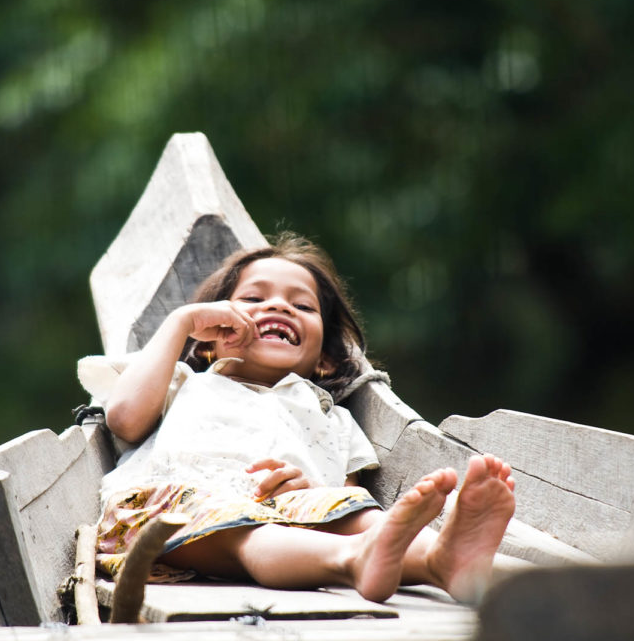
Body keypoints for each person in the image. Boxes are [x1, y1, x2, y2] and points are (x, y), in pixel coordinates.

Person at [78, 233, 515, 603]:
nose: (280, 307)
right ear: (212, 337)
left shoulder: (332, 417)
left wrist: (310, 489)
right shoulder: (183, 382)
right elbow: (124, 421)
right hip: (169, 517)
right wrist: (182, 322)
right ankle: (353, 561)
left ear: (325, 359)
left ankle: (440, 560)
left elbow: (347, 499)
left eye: (302, 306)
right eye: (253, 298)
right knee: (246, 532)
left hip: (284, 515)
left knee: (360, 515)